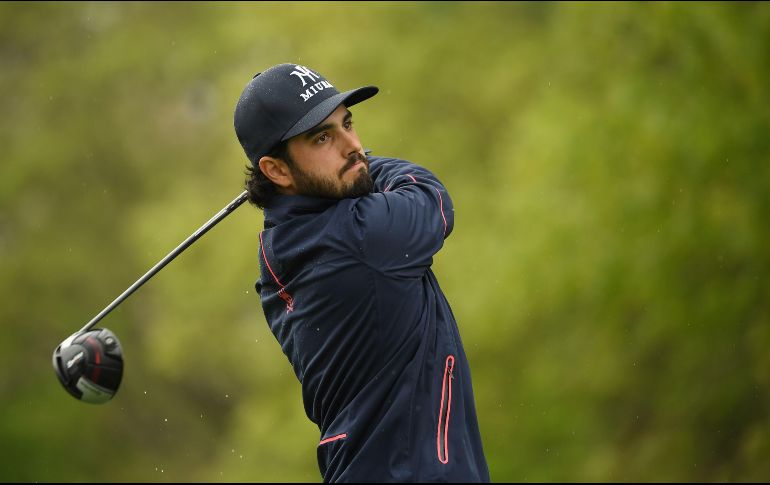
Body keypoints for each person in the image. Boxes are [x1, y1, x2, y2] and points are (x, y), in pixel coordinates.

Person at [233, 63, 490, 483]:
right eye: (322, 137)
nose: (353, 145)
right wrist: (362, 164)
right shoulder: (362, 238)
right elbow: (430, 196)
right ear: (276, 170)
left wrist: (336, 164)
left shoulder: (277, 254)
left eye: (348, 124)